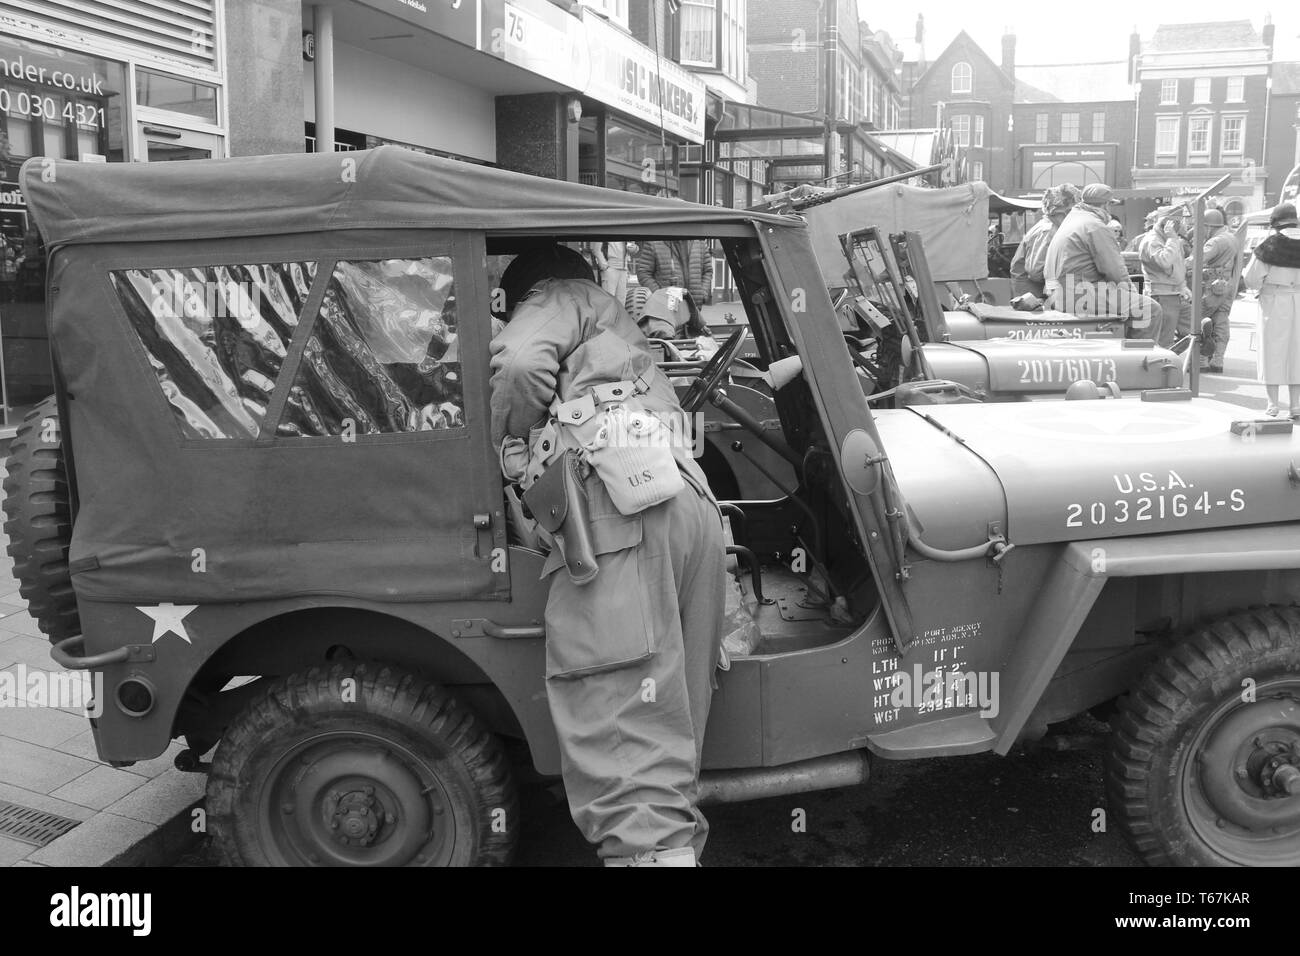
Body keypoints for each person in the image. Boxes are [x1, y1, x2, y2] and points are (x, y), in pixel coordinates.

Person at [489, 243, 726, 866]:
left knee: (621, 709)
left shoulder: (556, 298)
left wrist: (508, 441)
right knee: (667, 706)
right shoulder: (617, 325)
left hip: (619, 510)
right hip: (683, 499)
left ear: (525, 293)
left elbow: (516, 367)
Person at [1043, 183, 1162, 336]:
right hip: (1079, 295)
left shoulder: (1072, 221)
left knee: (1129, 303)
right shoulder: (1095, 226)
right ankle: (1138, 357)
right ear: (1106, 205)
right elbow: (1115, 271)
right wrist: (1133, 294)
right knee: (1149, 309)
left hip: (1059, 294)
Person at [1241, 202, 1300, 418]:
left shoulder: (1272, 244)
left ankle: (1273, 404)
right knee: (1298, 353)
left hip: (1275, 299)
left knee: (1272, 351)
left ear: (1275, 223)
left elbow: (1250, 278)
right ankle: (1296, 406)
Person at [1008, 184, 1079, 298]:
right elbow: (1035, 272)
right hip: (1032, 300)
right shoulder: (1047, 230)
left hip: (1035, 297)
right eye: (1072, 210)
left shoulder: (1052, 227)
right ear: (1062, 211)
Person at [1137, 211, 1189, 349]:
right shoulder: (1153, 241)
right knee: (1163, 340)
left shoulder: (1169, 239)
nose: (1182, 225)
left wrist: (1183, 286)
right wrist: (1172, 239)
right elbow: (1165, 261)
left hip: (1175, 293)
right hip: (1162, 295)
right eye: (1178, 222)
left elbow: (1178, 265)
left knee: (1193, 332)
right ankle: (1162, 366)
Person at [1199, 208, 1240, 373]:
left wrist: (1183, 263)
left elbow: (1197, 260)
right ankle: (1218, 359)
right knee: (1222, 323)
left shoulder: (1215, 242)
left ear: (1209, 226)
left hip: (1210, 287)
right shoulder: (1232, 237)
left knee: (1199, 322)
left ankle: (1201, 360)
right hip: (1226, 285)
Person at [636, 239, 713, 307]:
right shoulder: (653, 243)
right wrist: (659, 295)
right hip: (666, 309)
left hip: (694, 307)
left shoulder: (700, 243)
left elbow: (707, 271)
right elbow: (643, 272)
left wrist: (703, 293)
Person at [595, 241, 630, 307]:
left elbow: (632, 249)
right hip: (611, 268)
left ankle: (620, 316)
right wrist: (604, 266)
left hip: (623, 269)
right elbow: (597, 249)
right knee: (609, 298)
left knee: (621, 299)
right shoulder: (605, 231)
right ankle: (609, 316)